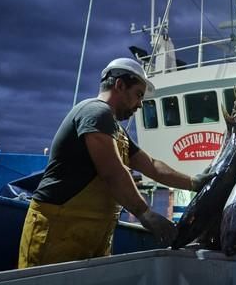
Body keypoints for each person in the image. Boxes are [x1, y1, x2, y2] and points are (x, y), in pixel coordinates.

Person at [18, 57, 211, 268]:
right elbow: (114, 173)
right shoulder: (96, 113)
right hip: (57, 230)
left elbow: (152, 166)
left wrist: (193, 182)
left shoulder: (116, 130)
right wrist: (145, 214)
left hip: (91, 233)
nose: (139, 104)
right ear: (119, 85)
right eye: (138, 94)